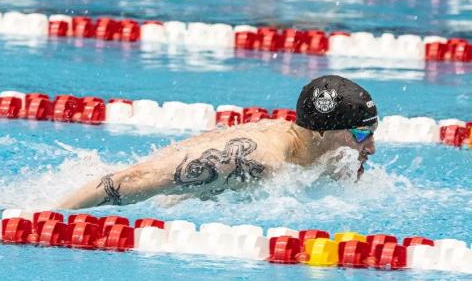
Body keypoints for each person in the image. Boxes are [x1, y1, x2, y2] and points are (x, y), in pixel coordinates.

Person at [57, 75, 378, 209]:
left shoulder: (309, 153)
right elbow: (135, 179)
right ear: (324, 131)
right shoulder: (259, 159)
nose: (371, 148)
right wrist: (48, 216)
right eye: (361, 135)